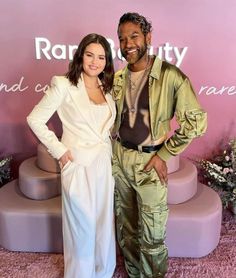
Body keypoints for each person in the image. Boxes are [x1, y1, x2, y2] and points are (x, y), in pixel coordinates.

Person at [112, 12, 207, 277]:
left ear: (148, 37)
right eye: (122, 38)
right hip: (120, 160)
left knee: (152, 234)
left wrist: (164, 153)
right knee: (127, 229)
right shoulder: (118, 78)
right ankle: (133, 272)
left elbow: (196, 123)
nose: (127, 43)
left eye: (133, 36)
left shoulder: (170, 76)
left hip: (149, 163)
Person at [27, 33, 116, 278]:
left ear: (106, 61)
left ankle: (102, 272)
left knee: (102, 224)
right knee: (82, 227)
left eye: (101, 57)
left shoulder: (106, 87)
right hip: (77, 165)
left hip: (103, 165)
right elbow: (34, 119)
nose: (95, 62)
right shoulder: (64, 84)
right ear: (80, 56)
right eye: (90, 55)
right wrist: (60, 151)